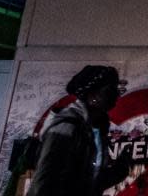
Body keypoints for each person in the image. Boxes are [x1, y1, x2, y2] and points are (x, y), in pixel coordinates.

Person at [27, 65, 130, 196]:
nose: (116, 95)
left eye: (117, 89)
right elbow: (46, 181)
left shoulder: (95, 130)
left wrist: (119, 170)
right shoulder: (66, 128)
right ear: (92, 95)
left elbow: (87, 183)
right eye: (110, 90)